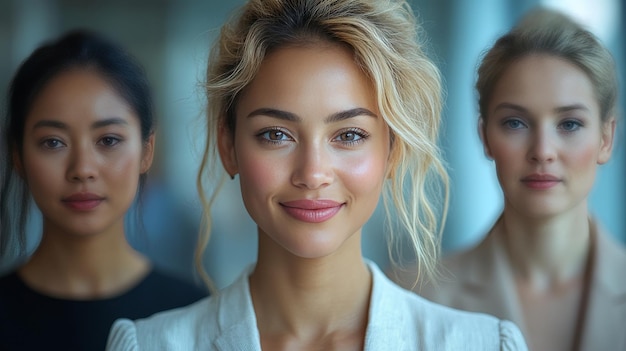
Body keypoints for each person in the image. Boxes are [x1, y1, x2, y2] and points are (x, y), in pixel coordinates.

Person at [107, 1, 528, 350]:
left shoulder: (482, 344)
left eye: (348, 134)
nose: (312, 173)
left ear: (393, 150)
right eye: (276, 134)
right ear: (227, 145)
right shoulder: (150, 344)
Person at [399, 8, 625, 351]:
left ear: (606, 139)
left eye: (569, 124)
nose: (543, 151)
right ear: (485, 136)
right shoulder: (412, 297)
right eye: (515, 123)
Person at [0, 29, 207, 351]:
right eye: (53, 142)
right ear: (18, 156)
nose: (82, 168)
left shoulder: (195, 317)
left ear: (146, 151)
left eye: (108, 140)